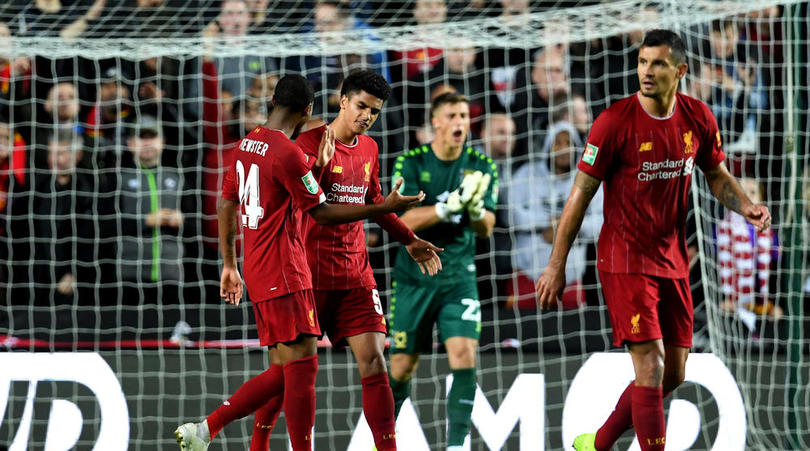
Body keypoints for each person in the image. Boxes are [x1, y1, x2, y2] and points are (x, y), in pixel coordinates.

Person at [533, 30, 771, 451]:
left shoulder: (698, 117)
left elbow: (715, 175)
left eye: (658, 63)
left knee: (674, 374)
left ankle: (598, 444)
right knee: (650, 366)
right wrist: (556, 265)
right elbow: (579, 195)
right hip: (623, 257)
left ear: (679, 70)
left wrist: (746, 206)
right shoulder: (614, 122)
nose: (646, 71)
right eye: (643, 62)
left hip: (672, 258)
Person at [174, 73, 436, 451]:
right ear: (340, 101)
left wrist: (407, 238)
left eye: (374, 112)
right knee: (290, 374)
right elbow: (318, 210)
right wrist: (376, 203)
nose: (366, 116)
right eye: (361, 106)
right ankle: (240, 436)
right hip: (301, 275)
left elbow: (372, 201)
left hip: (351, 277)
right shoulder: (301, 146)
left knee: (373, 362)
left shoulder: (366, 150)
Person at [388, 92, 497, 451]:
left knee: (464, 354)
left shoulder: (483, 165)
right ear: (436, 121)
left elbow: (487, 228)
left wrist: (477, 210)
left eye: (464, 116)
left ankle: (457, 445)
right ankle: (382, 439)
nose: (460, 123)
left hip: (458, 277)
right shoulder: (411, 162)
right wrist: (449, 206)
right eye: (452, 115)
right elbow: (402, 220)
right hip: (413, 277)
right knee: (402, 368)